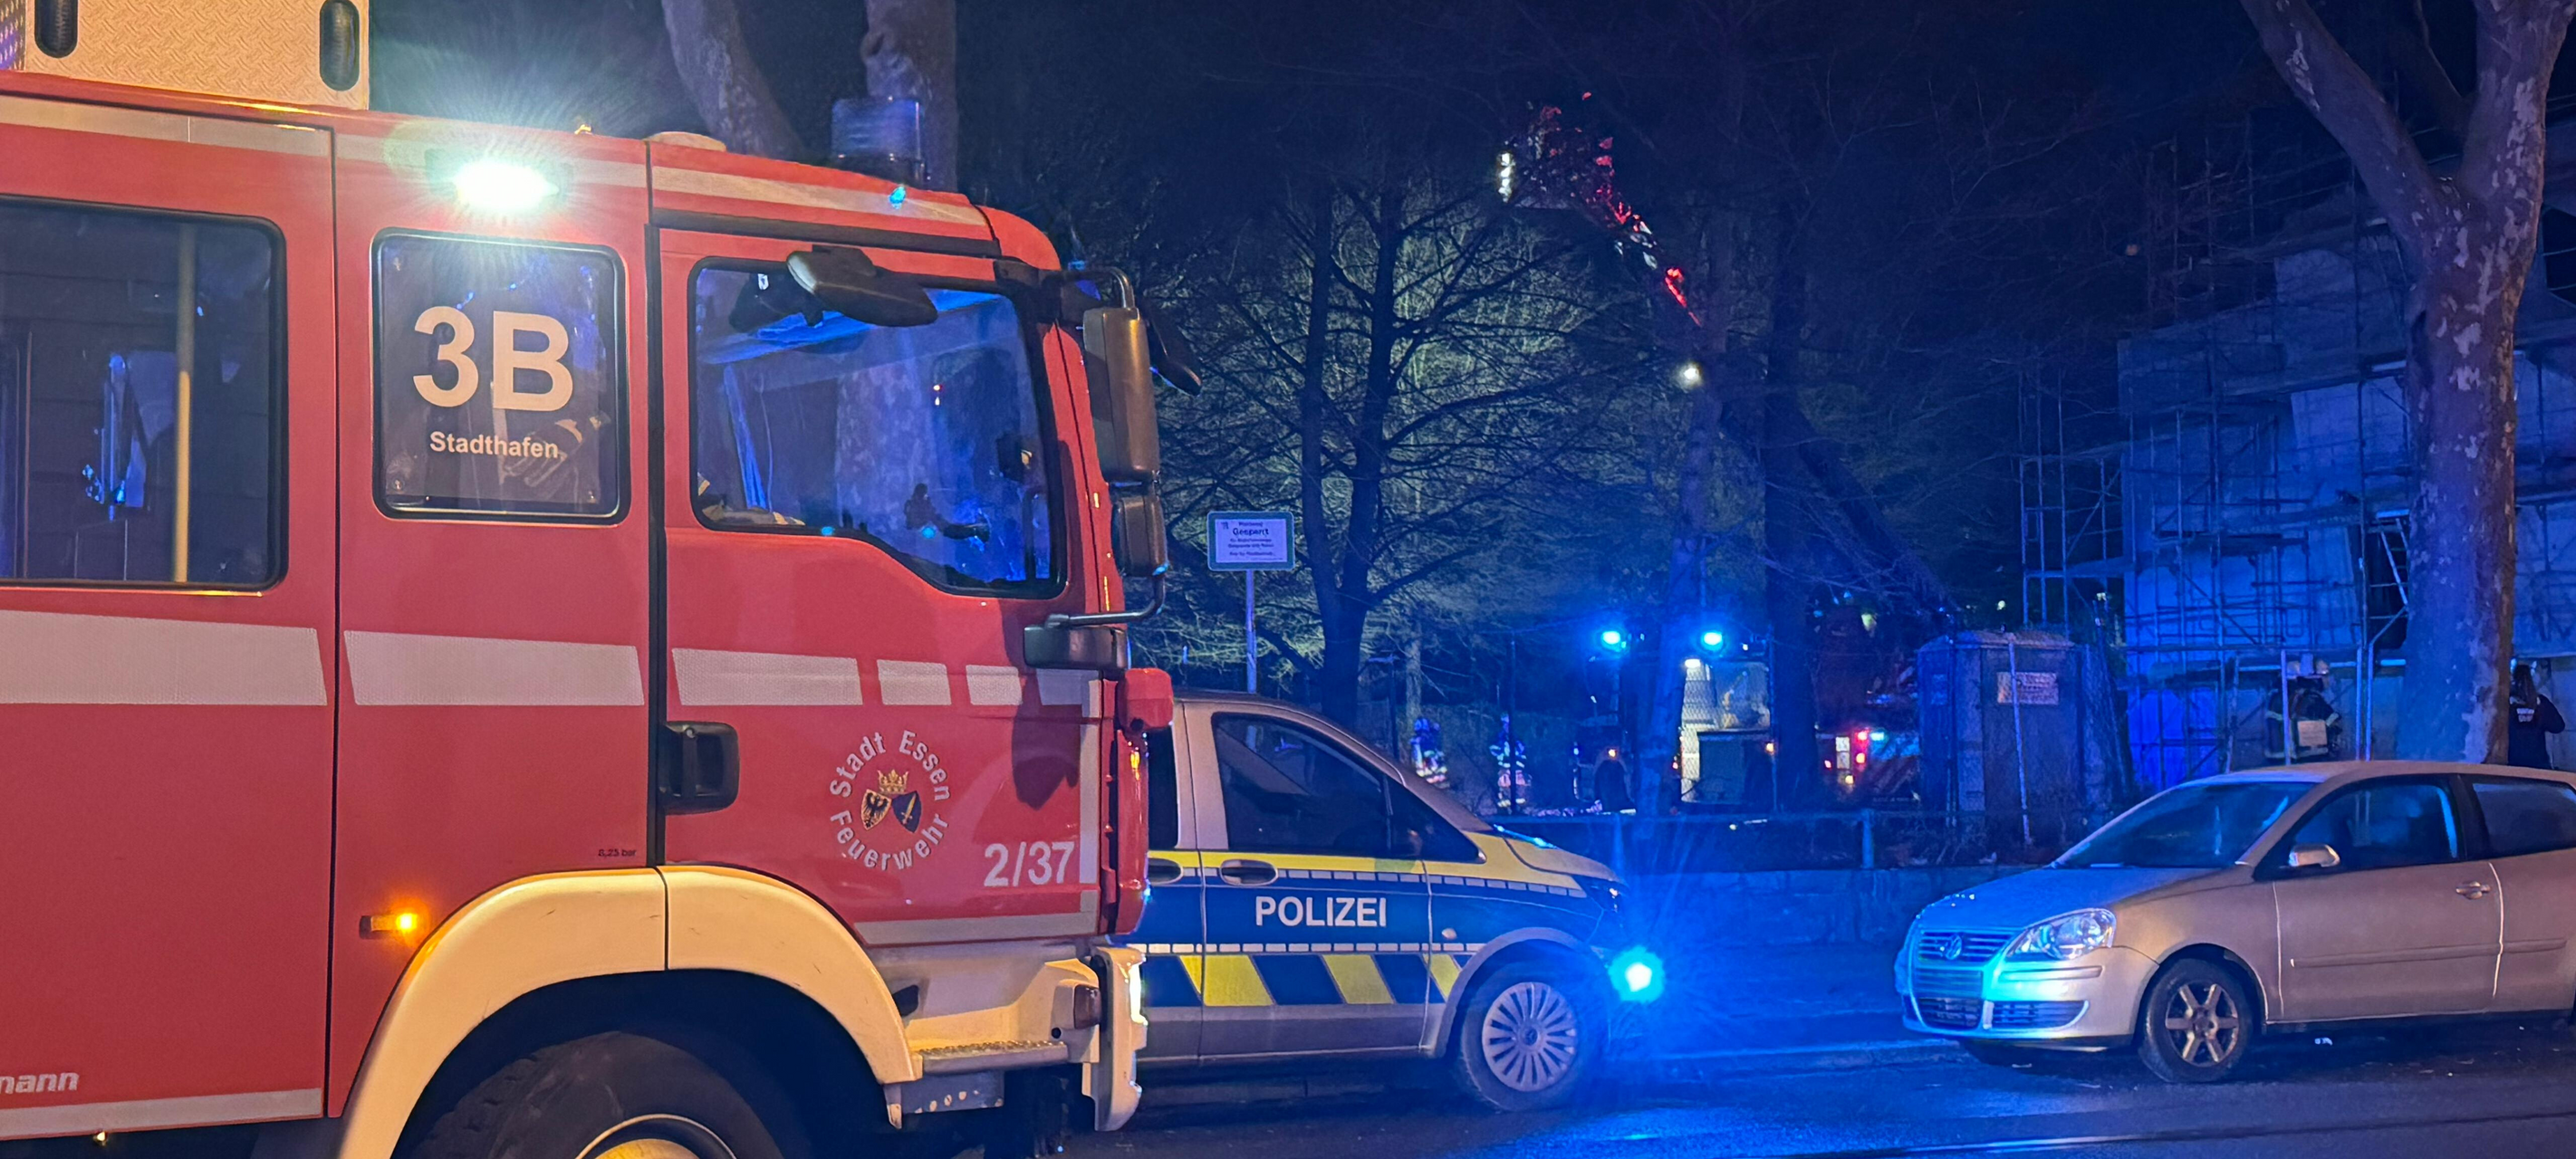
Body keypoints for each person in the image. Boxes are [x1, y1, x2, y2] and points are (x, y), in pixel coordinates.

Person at [2510, 664, 2564, 770]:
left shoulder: (2504, 706)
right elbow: (2558, 727)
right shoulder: (2540, 703)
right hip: (2538, 767)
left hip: (2512, 767)